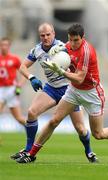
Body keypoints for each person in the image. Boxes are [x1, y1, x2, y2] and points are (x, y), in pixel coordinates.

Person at [16, 23, 108, 164]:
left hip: (92, 93)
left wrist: (61, 71)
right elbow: (67, 68)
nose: (73, 43)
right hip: (73, 91)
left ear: (82, 38)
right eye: (70, 39)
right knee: (54, 120)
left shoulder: (86, 51)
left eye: (76, 40)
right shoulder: (66, 46)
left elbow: (79, 78)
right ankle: (31, 154)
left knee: (98, 134)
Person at [11, 23, 96, 163]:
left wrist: (73, 72)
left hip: (69, 90)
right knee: (32, 112)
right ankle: (28, 149)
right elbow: (22, 66)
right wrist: (31, 78)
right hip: (51, 88)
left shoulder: (64, 47)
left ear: (54, 34)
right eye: (42, 35)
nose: (45, 38)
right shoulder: (37, 50)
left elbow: (78, 60)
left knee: (81, 129)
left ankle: (89, 151)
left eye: (48, 34)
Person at [0, 37, 25, 126]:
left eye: (6, 45)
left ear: (9, 46)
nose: (4, 47)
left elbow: (24, 72)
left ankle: (32, 129)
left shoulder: (14, 59)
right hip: (1, 89)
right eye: (2, 45)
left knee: (19, 118)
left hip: (12, 90)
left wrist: (20, 84)